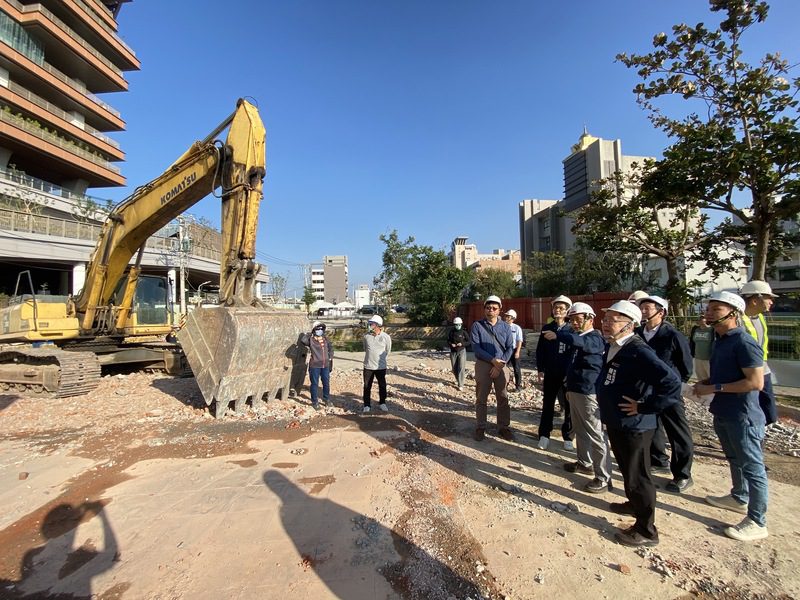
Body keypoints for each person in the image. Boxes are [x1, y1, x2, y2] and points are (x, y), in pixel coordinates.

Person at [598, 300, 682, 547]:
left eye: (613, 320)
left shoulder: (638, 350)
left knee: (638, 476)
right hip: (618, 421)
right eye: (605, 319)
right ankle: (634, 505)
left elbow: (671, 383)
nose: (605, 323)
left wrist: (645, 406)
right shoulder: (615, 345)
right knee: (627, 470)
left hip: (635, 425)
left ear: (629, 325)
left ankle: (646, 530)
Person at [693, 291, 768, 542]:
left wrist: (714, 388)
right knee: (734, 458)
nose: (709, 312)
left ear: (733, 313)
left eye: (717, 309)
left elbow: (755, 382)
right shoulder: (721, 340)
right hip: (723, 411)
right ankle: (738, 497)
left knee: (753, 467)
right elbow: (725, 375)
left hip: (743, 416)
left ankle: (757, 520)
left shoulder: (744, 342)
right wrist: (708, 382)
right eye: (709, 308)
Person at [544, 301, 611, 493]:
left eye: (577, 319)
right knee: (580, 429)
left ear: (590, 319)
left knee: (596, 434)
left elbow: (579, 342)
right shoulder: (578, 336)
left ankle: (603, 477)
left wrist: (558, 334)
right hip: (574, 390)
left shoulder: (594, 338)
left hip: (588, 392)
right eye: (571, 319)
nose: (574, 323)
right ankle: (584, 462)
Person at [635, 295, 695, 493]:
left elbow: (686, 366)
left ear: (661, 312)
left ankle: (682, 475)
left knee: (677, 432)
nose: (643, 311)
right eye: (641, 308)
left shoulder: (673, 335)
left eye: (647, 308)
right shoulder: (637, 334)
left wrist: (676, 385)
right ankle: (658, 460)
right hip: (645, 389)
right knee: (651, 427)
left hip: (668, 392)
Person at [469, 295, 516, 442]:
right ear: (484, 309)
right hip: (484, 363)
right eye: (488, 307)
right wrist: (492, 361)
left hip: (502, 364)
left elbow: (510, 347)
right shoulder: (477, 326)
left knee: (502, 397)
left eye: (494, 308)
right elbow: (476, 348)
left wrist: (500, 364)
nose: (491, 310)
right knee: (481, 396)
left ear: (499, 310)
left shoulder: (506, 327)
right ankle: (480, 426)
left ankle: (503, 427)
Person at [535, 295, 574, 451]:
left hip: (567, 374)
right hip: (551, 372)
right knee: (548, 404)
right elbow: (540, 351)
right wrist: (540, 369)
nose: (557, 311)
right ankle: (544, 435)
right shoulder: (547, 328)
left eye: (561, 308)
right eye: (555, 308)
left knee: (569, 405)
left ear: (567, 311)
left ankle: (568, 436)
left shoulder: (571, 330)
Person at [740, 280, 779, 425]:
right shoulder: (737, 320)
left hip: (763, 369)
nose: (771, 301)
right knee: (752, 410)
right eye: (769, 297)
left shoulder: (760, 317)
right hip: (747, 373)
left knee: (769, 411)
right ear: (755, 300)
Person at [300, 321, 333, 410]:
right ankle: (315, 402)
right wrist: (310, 333)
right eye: (318, 329)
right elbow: (303, 340)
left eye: (321, 329)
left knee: (326, 383)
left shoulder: (325, 338)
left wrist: (330, 359)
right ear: (314, 330)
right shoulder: (311, 340)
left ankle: (326, 399)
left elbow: (330, 348)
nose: (320, 331)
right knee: (314, 384)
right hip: (315, 365)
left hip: (325, 365)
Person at [363, 315, 391, 413]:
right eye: (370, 323)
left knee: (382, 385)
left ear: (378, 325)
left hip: (381, 366)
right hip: (368, 366)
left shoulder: (386, 337)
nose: (370, 325)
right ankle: (366, 405)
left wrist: (381, 360)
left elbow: (388, 351)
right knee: (367, 386)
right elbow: (365, 348)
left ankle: (382, 403)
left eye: (372, 324)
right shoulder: (366, 336)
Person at [504, 309, 524, 392]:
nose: (506, 318)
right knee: (504, 369)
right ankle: (504, 385)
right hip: (505, 351)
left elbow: (519, 340)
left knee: (516, 368)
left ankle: (518, 386)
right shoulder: (502, 326)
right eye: (506, 316)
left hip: (514, 350)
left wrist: (517, 352)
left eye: (508, 316)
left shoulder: (517, 328)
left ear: (512, 318)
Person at [689, 315, 714, 382]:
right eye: (699, 318)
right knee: (700, 378)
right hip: (698, 358)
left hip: (708, 359)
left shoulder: (712, 330)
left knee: (711, 377)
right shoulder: (696, 330)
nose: (701, 319)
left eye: (703, 318)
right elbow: (692, 342)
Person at [448, 316, 469, 390]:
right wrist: (451, 344)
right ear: (454, 325)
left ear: (461, 324)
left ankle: (461, 384)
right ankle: (458, 379)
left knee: (461, 367)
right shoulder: (451, 332)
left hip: (462, 351)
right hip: (453, 352)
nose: (458, 326)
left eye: (459, 324)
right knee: (454, 368)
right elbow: (448, 341)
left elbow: (469, 342)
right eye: (456, 324)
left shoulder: (464, 332)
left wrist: (462, 344)